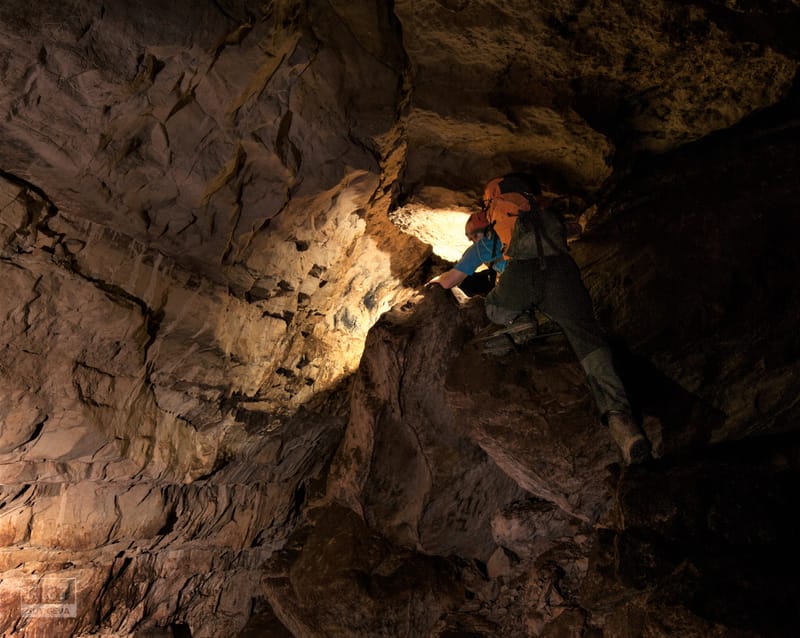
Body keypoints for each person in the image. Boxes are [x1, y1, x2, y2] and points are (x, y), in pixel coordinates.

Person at [428, 174, 652, 465]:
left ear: (486, 221)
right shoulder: (537, 216)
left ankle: (523, 322)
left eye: (474, 234)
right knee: (589, 343)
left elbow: (450, 279)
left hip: (525, 277)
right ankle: (624, 425)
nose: (474, 239)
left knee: (493, 306)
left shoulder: (482, 247)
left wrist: (427, 289)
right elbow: (573, 230)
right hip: (561, 271)